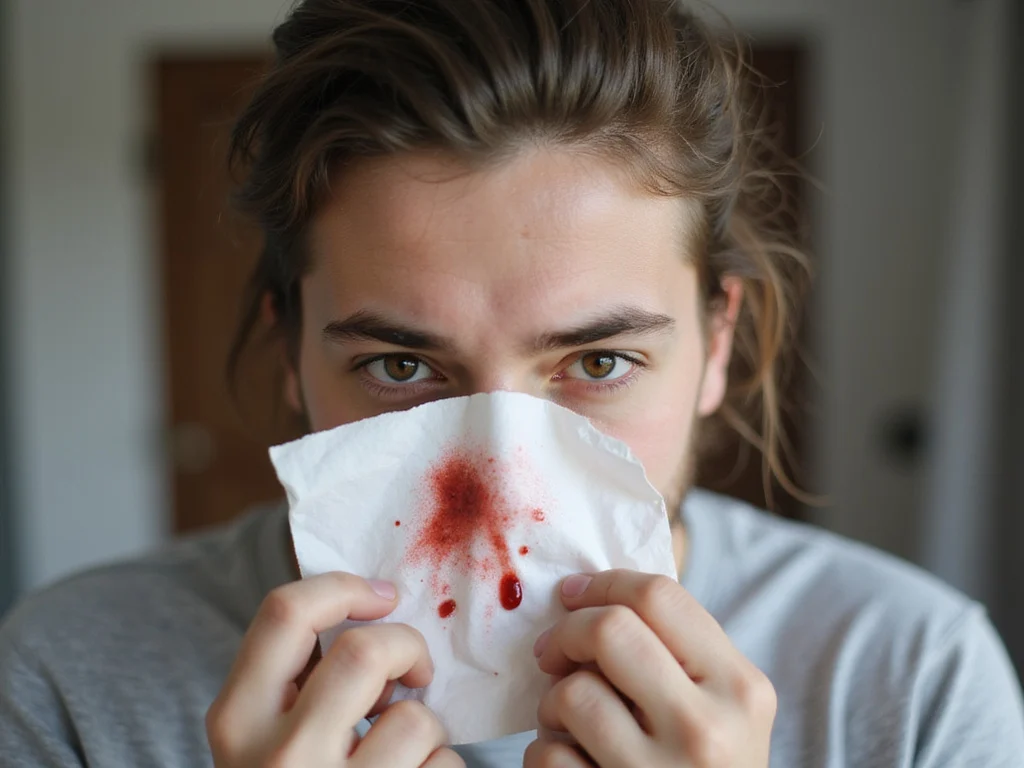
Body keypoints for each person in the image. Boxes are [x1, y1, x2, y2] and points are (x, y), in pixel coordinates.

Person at [2, 0, 1023, 765]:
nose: (497, 480)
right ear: (288, 351)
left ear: (717, 346)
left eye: (597, 363)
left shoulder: (905, 677)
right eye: (400, 366)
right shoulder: (66, 684)